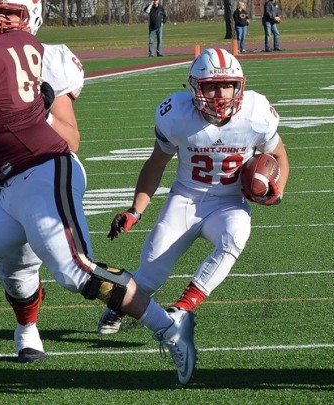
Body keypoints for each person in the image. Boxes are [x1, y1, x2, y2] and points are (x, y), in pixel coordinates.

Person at [0, 0, 195, 386]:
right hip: (5, 179)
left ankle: (170, 326)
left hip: (42, 171)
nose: (2, 18)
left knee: (76, 271)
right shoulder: (15, 45)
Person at [97, 48, 289, 335]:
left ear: (239, 86)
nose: (220, 94)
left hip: (228, 202)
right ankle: (117, 307)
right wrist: (135, 210)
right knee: (150, 276)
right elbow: (156, 163)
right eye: (211, 86)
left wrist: (277, 190)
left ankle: (181, 309)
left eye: (227, 85)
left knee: (235, 236)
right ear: (195, 87)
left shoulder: (256, 113)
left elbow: (281, 157)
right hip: (185, 199)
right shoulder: (177, 115)